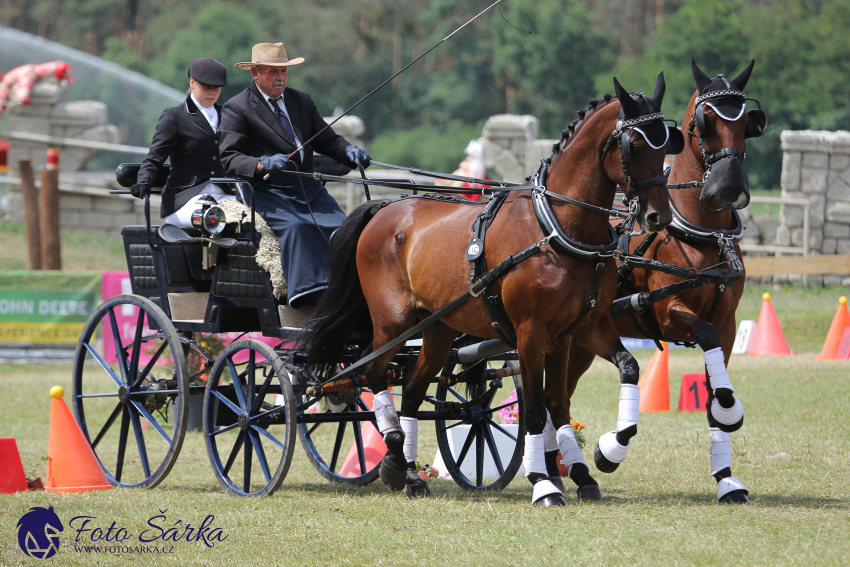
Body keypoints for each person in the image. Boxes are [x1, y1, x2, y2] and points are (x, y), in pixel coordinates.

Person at [219, 42, 371, 309]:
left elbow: (327, 140)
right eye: (272, 72)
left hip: (308, 187)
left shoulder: (301, 100)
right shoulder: (237, 107)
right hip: (267, 191)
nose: (280, 78)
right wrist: (262, 163)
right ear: (255, 72)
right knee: (297, 227)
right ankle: (308, 294)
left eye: (284, 72)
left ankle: (347, 289)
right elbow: (230, 158)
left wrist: (348, 150)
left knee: (344, 228)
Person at [132, 57, 236, 226]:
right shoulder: (174, 116)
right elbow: (154, 157)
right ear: (192, 82)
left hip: (225, 194)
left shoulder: (229, 115)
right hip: (185, 197)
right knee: (214, 219)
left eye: (216, 88)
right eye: (206, 87)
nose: (212, 92)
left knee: (253, 218)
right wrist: (143, 181)